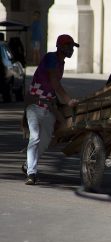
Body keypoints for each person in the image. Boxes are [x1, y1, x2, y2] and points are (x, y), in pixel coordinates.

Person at [22, 34, 79, 185]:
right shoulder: (51, 58)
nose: (71, 49)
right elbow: (55, 83)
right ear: (60, 47)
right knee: (35, 137)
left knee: (45, 141)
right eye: (69, 46)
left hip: (49, 107)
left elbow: (54, 88)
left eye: (72, 46)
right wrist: (69, 101)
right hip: (35, 105)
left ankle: (28, 165)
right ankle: (32, 173)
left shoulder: (61, 63)